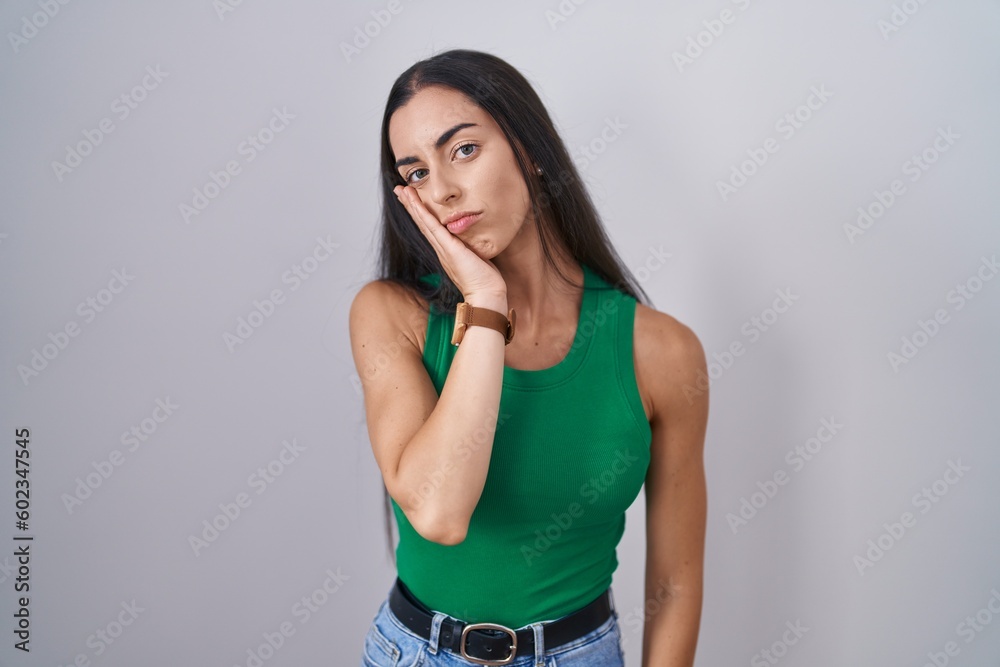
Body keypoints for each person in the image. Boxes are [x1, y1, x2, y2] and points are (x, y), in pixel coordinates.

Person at [349, 48, 708, 667]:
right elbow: (439, 512)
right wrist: (486, 303)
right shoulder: (390, 316)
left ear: (531, 151)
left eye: (463, 150)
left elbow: (673, 585)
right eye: (415, 173)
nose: (443, 190)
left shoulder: (662, 352)